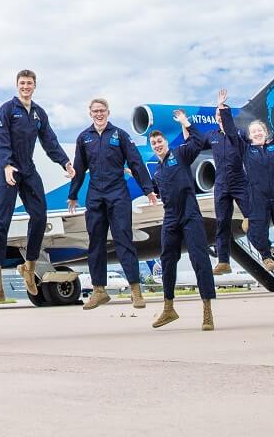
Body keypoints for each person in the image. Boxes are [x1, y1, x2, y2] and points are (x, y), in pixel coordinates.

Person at [0, 70, 75, 301]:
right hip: (8, 168)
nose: (26, 86)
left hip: (28, 168)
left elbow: (50, 140)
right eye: (22, 83)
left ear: (34, 86)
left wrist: (65, 161)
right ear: (17, 86)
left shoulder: (38, 113)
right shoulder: (7, 109)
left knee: (40, 216)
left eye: (29, 83)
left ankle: (29, 267)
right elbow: (1, 139)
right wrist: (7, 164)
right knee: (2, 220)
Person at [68, 97, 157, 309]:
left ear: (108, 112)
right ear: (90, 113)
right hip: (95, 195)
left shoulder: (120, 135)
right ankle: (99, 291)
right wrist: (73, 194)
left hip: (118, 194)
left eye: (102, 110)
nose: (99, 114)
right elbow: (79, 169)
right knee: (95, 244)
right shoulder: (84, 138)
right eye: (95, 111)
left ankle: (135, 291)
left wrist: (149, 190)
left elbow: (136, 162)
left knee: (123, 240)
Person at [216, 88, 274, 274]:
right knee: (256, 229)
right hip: (257, 195)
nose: (257, 133)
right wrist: (222, 108)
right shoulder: (246, 150)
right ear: (250, 136)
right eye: (253, 132)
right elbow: (230, 132)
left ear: (265, 132)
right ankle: (267, 257)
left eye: (260, 130)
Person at [146, 116, 215, 330]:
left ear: (166, 142)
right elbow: (154, 191)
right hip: (170, 217)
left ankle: (207, 311)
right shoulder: (156, 170)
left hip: (190, 214)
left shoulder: (181, 153)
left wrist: (185, 122)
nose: (157, 145)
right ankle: (168, 308)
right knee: (166, 259)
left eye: (160, 142)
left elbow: (198, 139)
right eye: (154, 144)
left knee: (199, 258)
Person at [206, 90, 246, 277]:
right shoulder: (212, 135)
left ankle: (266, 253)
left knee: (252, 217)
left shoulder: (237, 135)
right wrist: (184, 124)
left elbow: (231, 129)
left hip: (239, 180)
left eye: (222, 114)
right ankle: (223, 261)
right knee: (222, 223)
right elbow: (193, 144)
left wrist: (221, 105)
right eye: (217, 115)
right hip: (221, 184)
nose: (219, 117)